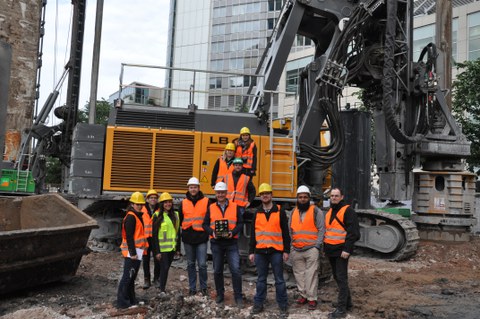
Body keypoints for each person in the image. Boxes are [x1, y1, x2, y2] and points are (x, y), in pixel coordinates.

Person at [249, 183, 290, 315]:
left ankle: (283, 305)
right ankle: (258, 304)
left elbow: (285, 233)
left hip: (276, 251)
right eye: (262, 194)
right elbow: (253, 233)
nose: (265, 195)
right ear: (260, 197)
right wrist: (251, 251)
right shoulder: (257, 212)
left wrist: (286, 250)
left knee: (279, 279)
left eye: (267, 193)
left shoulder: (280, 211)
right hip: (260, 251)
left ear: (271, 195)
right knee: (261, 279)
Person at [203, 182, 244, 308]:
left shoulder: (235, 206)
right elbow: (204, 224)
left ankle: (238, 296)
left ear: (226, 193)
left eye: (222, 192)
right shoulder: (211, 207)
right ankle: (220, 294)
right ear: (215, 194)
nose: (220, 195)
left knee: (236, 270)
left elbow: (240, 223)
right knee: (217, 270)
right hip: (217, 243)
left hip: (231, 242)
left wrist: (233, 232)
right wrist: (212, 233)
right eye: (218, 193)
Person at [325, 188, 360, 319]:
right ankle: (348, 304)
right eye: (332, 196)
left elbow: (354, 233)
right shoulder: (330, 211)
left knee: (341, 278)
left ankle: (341, 310)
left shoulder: (348, 211)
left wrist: (347, 249)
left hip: (341, 252)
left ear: (341, 197)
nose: (333, 198)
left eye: (336, 196)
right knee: (338, 278)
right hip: (331, 251)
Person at [289, 185, 325, 311]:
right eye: (300, 197)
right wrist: (292, 246)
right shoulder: (293, 212)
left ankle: (312, 298)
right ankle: (303, 295)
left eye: (305, 197)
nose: (303, 199)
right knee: (299, 274)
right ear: (297, 199)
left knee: (311, 274)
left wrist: (317, 246)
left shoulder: (316, 211)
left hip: (311, 249)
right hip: (296, 249)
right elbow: (290, 230)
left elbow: (321, 229)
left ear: (309, 198)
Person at [178, 177, 210, 296]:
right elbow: (180, 219)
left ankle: (204, 287)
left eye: (195, 187)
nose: (193, 189)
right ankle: (192, 288)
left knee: (202, 264)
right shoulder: (183, 203)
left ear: (198, 188)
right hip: (188, 237)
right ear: (188, 188)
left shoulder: (206, 201)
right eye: (191, 187)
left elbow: (209, 218)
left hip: (201, 236)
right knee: (190, 264)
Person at [116, 192, 149, 309]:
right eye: (137, 204)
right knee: (127, 277)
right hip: (132, 252)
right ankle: (122, 303)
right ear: (132, 204)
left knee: (131, 277)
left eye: (141, 204)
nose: (139, 206)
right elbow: (129, 236)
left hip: (137, 251)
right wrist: (133, 253)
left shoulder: (137, 215)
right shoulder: (131, 217)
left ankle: (131, 300)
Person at [152, 192, 180, 295]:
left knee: (166, 268)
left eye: (169, 202)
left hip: (171, 248)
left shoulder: (176, 215)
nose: (168, 204)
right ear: (162, 204)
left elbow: (178, 233)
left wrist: (177, 249)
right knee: (164, 268)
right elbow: (154, 236)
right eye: (165, 202)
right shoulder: (156, 216)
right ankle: (162, 289)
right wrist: (157, 252)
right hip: (162, 249)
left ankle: (160, 284)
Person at [141, 189, 158, 289]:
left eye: (155, 198)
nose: (153, 199)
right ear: (147, 199)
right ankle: (146, 279)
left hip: (156, 238)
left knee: (157, 259)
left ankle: (156, 279)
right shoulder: (142, 209)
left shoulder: (160, 209)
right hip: (146, 238)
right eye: (151, 198)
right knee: (146, 259)